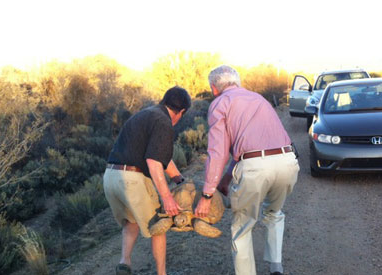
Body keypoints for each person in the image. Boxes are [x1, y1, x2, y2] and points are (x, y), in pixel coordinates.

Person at [194, 65, 300, 275]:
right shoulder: (258, 99)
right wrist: (226, 177)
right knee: (274, 213)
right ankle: (276, 268)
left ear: (214, 88)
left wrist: (207, 194)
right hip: (287, 160)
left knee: (242, 228)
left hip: (254, 169)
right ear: (237, 82)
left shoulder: (220, 103)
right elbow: (252, 144)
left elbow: (218, 152)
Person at [104, 86, 191, 275]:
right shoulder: (164, 122)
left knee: (131, 220)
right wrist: (167, 197)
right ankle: (162, 273)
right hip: (133, 180)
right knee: (158, 227)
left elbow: (162, 158)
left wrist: (180, 180)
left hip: (111, 177)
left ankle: (124, 263)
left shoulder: (145, 115)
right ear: (181, 111)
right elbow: (153, 162)